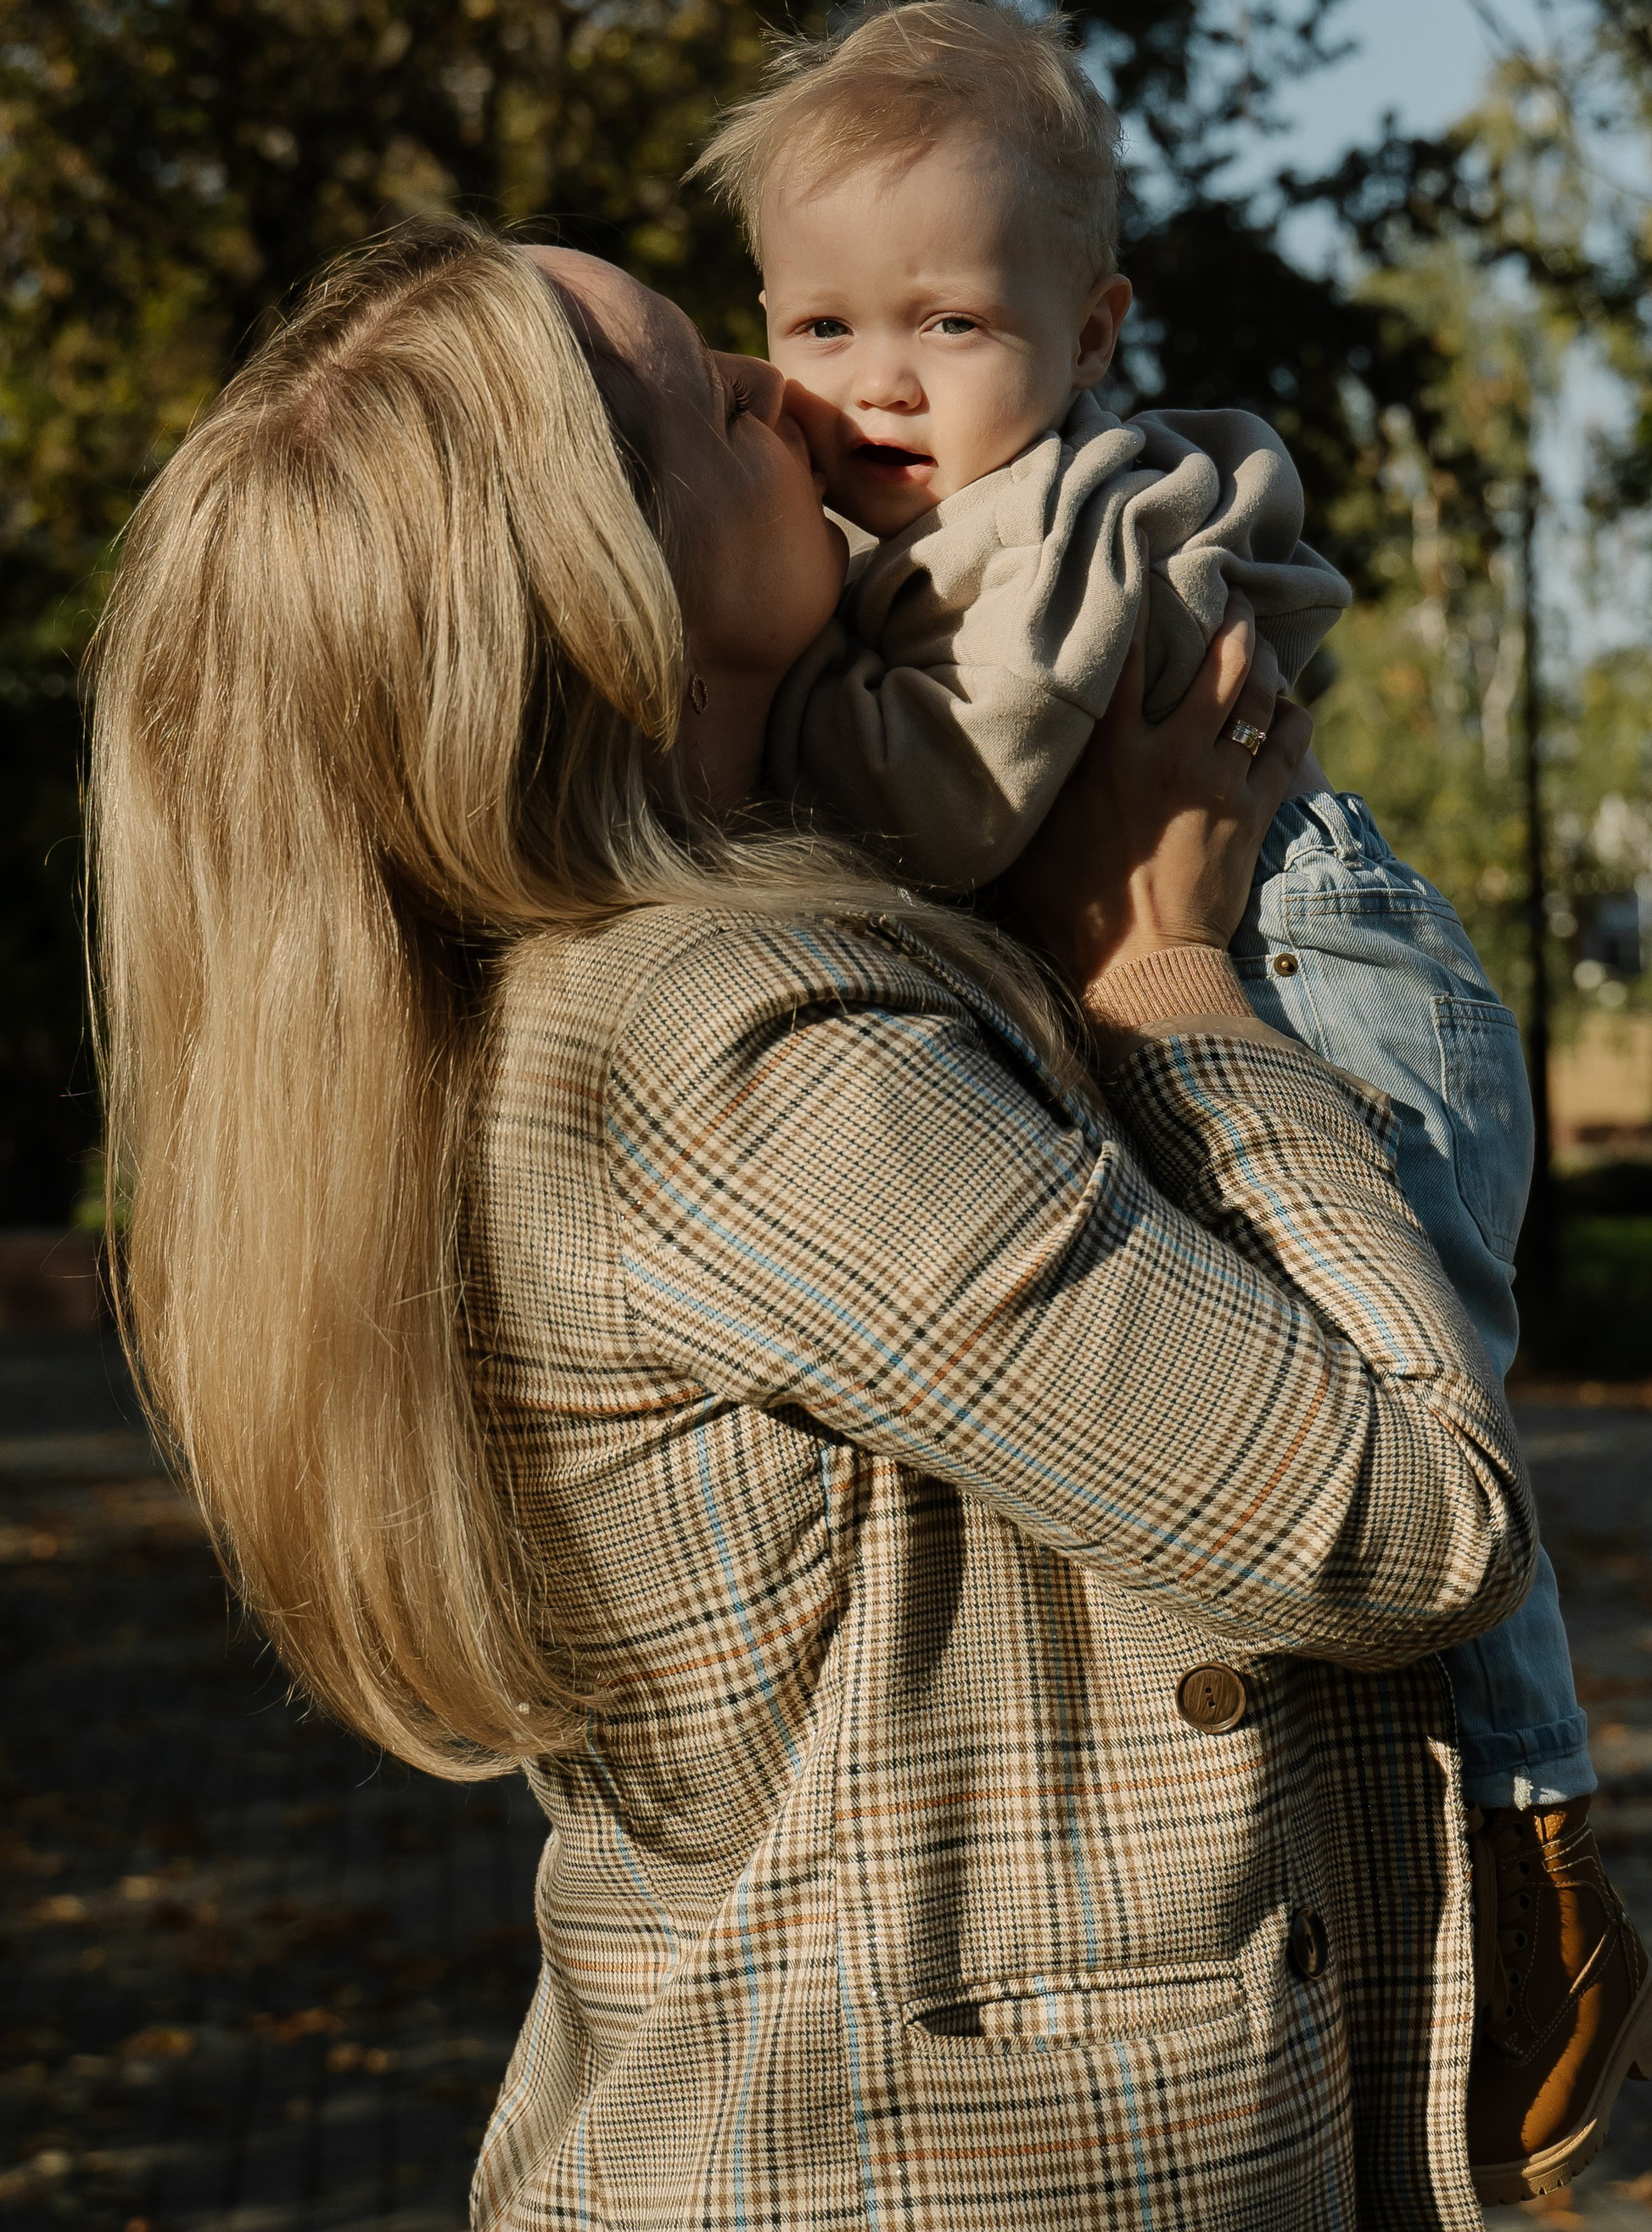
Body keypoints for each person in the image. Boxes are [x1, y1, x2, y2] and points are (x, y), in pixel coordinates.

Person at [91, 216, 1538, 2231]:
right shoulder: (723, 1057)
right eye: (706, 392)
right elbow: (1405, 1527)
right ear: (598, 581)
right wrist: (1168, 989)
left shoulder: (576, 1001)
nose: (790, 387)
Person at [692, 0, 1652, 2203]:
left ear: (1091, 325)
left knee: (1429, 1422)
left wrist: (765, 786)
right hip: (1245, 964)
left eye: (948, 318)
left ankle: (1538, 1833)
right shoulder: (922, 526)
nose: (874, 379)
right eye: (818, 323)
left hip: (1332, 987)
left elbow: (952, 808)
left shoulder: (1064, 523)